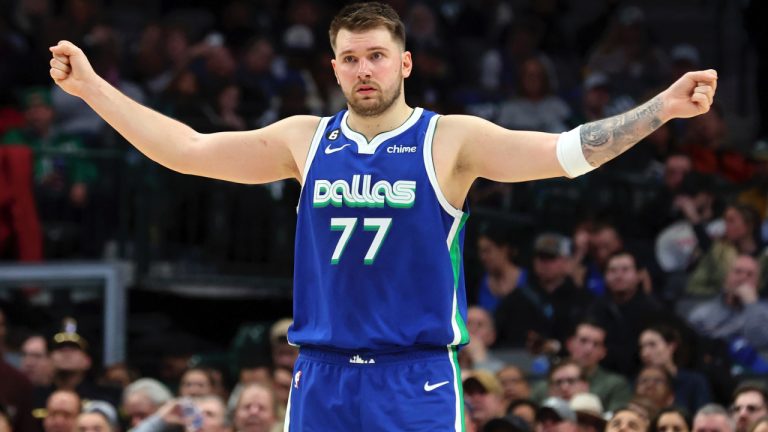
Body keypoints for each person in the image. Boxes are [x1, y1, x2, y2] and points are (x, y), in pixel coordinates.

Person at [47, 2, 718, 429]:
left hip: (414, 375)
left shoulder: (450, 139)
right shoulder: (303, 139)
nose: (363, 69)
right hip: (321, 376)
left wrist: (661, 108)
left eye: (375, 56)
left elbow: (569, 153)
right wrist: (91, 88)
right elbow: (188, 151)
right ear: (334, 67)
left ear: (404, 62)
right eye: (350, 58)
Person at [688, 255, 768, 349]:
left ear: (757, 283)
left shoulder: (765, 313)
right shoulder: (703, 314)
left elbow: (760, 341)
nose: (743, 278)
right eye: (737, 271)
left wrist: (752, 305)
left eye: (750, 274)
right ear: (726, 277)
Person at [638, 325, 712, 414]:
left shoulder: (694, 382)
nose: (645, 353)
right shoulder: (637, 382)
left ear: (671, 346)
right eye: (642, 347)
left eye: (652, 345)